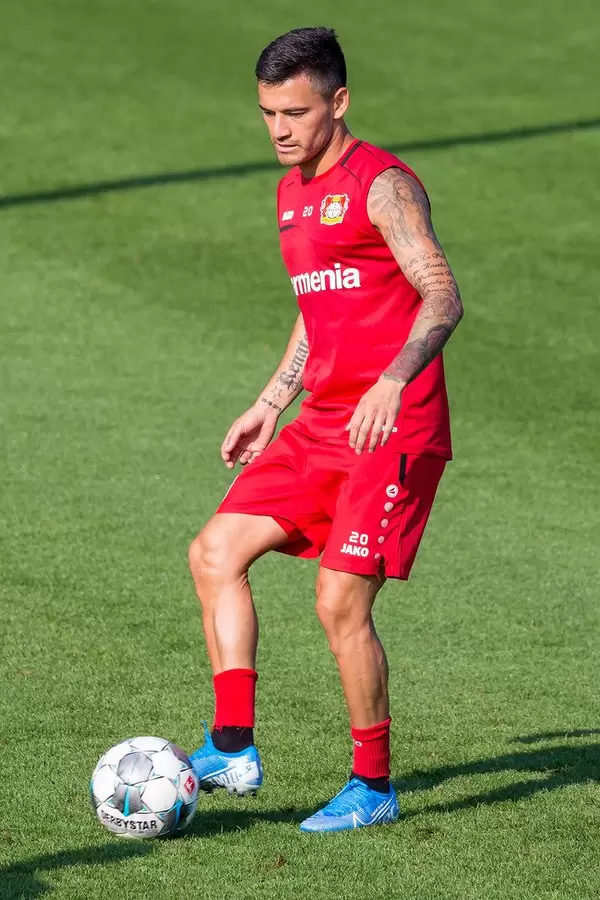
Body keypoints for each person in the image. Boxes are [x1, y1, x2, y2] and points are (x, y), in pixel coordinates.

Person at [189, 26, 463, 833]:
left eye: (295, 111)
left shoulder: (384, 187)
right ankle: (233, 744)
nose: (279, 128)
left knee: (339, 601)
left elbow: (442, 295)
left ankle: (372, 788)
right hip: (321, 421)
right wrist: (274, 398)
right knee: (215, 552)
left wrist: (391, 379)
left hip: (393, 424)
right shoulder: (291, 190)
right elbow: (321, 306)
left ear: (338, 103)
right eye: (268, 112)